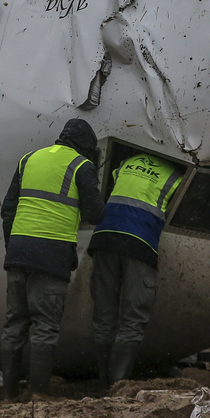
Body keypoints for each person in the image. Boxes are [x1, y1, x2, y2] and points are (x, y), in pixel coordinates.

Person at [0, 118, 104, 401]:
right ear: (86, 147)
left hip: (18, 254)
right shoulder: (83, 167)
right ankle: (38, 393)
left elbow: (8, 209)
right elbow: (95, 213)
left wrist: (14, 248)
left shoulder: (28, 159)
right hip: (51, 256)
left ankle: (8, 396)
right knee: (45, 326)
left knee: (14, 325)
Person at [88, 152, 183, 388]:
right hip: (139, 243)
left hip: (103, 238)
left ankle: (103, 385)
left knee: (104, 317)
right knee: (132, 319)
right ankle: (118, 386)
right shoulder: (176, 176)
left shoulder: (126, 162)